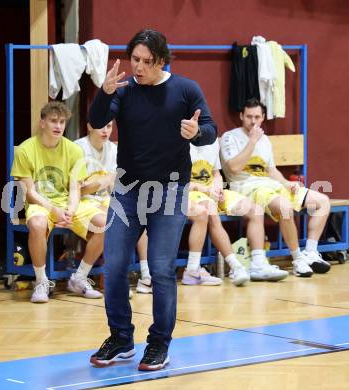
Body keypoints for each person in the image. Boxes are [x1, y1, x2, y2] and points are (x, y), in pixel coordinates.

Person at [88, 29, 217, 371]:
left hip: (170, 191)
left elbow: (210, 129)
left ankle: (159, 343)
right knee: (114, 266)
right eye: (135, 60)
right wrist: (104, 93)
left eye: (147, 61)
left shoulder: (186, 89)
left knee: (160, 270)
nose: (139, 67)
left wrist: (198, 133)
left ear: (161, 60)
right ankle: (121, 339)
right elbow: (96, 120)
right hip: (127, 191)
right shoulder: (125, 91)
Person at [220, 98, 331, 277]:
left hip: (271, 185)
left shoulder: (264, 140)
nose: (253, 121)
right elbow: (233, 167)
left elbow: (271, 171)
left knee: (322, 201)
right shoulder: (229, 137)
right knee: (285, 208)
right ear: (241, 116)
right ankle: (297, 260)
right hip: (247, 188)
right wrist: (252, 142)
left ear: (263, 117)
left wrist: (287, 183)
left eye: (257, 116)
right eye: (249, 116)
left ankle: (310, 252)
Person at [11, 101, 106, 303]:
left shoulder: (73, 150)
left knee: (104, 223)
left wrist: (70, 210)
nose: (58, 126)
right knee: (37, 224)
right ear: (42, 123)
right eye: (53, 121)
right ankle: (41, 282)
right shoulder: (25, 150)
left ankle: (79, 278)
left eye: (62, 122)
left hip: (68, 203)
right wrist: (53, 209)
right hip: (41, 203)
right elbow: (30, 193)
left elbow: (75, 188)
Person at [183, 139, 288, 287]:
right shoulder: (178, 141)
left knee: (255, 210)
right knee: (210, 209)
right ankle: (236, 267)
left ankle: (258, 264)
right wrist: (207, 191)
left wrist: (218, 190)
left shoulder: (211, 141)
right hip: (189, 193)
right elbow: (178, 181)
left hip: (212, 191)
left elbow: (216, 174)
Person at [75, 121, 149, 297]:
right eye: (101, 126)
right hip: (81, 202)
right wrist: (103, 181)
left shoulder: (114, 150)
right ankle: (82, 276)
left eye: (109, 126)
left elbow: (117, 184)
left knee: (139, 216)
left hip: (105, 200)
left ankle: (146, 275)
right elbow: (78, 189)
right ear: (89, 126)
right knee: (110, 224)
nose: (105, 130)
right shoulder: (77, 148)